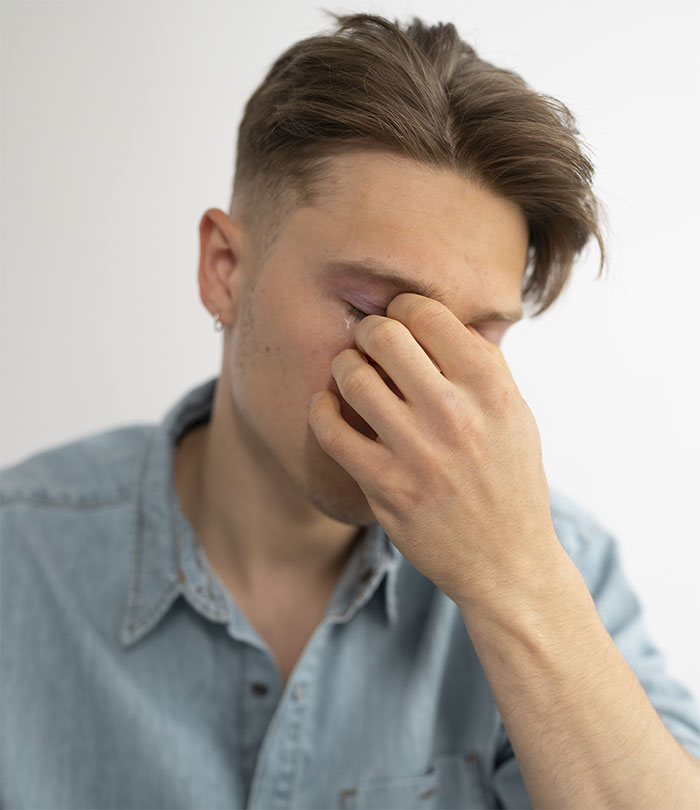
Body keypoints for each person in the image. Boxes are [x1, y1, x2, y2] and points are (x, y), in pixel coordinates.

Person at [1, 11, 699, 809]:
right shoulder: (18, 561)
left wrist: (514, 584)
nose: (420, 379)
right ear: (225, 270)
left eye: (475, 334)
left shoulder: (560, 566)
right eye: (370, 307)